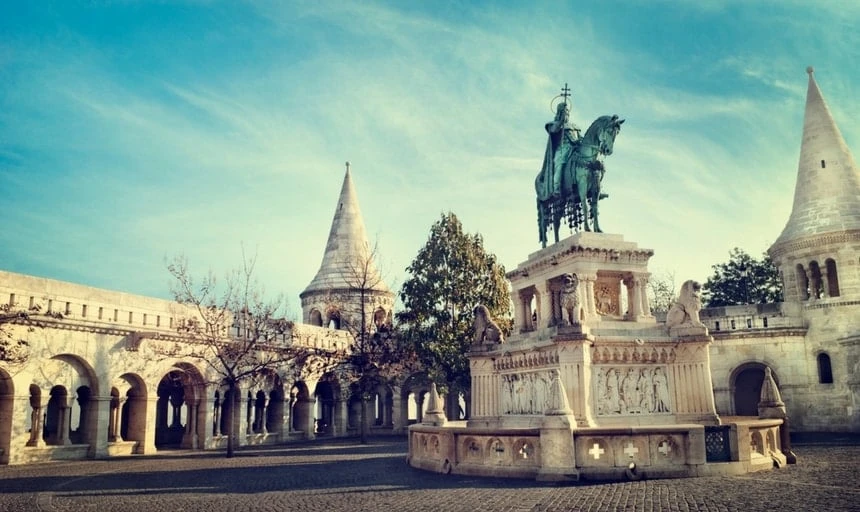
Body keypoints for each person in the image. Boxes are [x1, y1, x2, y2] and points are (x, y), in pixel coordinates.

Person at [540, 102, 581, 200]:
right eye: (564, 111)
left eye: (567, 112)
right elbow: (554, 130)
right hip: (562, 150)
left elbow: (579, 138)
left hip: (574, 148)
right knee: (560, 165)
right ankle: (556, 188)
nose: (566, 114)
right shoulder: (553, 125)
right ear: (559, 112)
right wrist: (560, 122)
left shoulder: (574, 126)